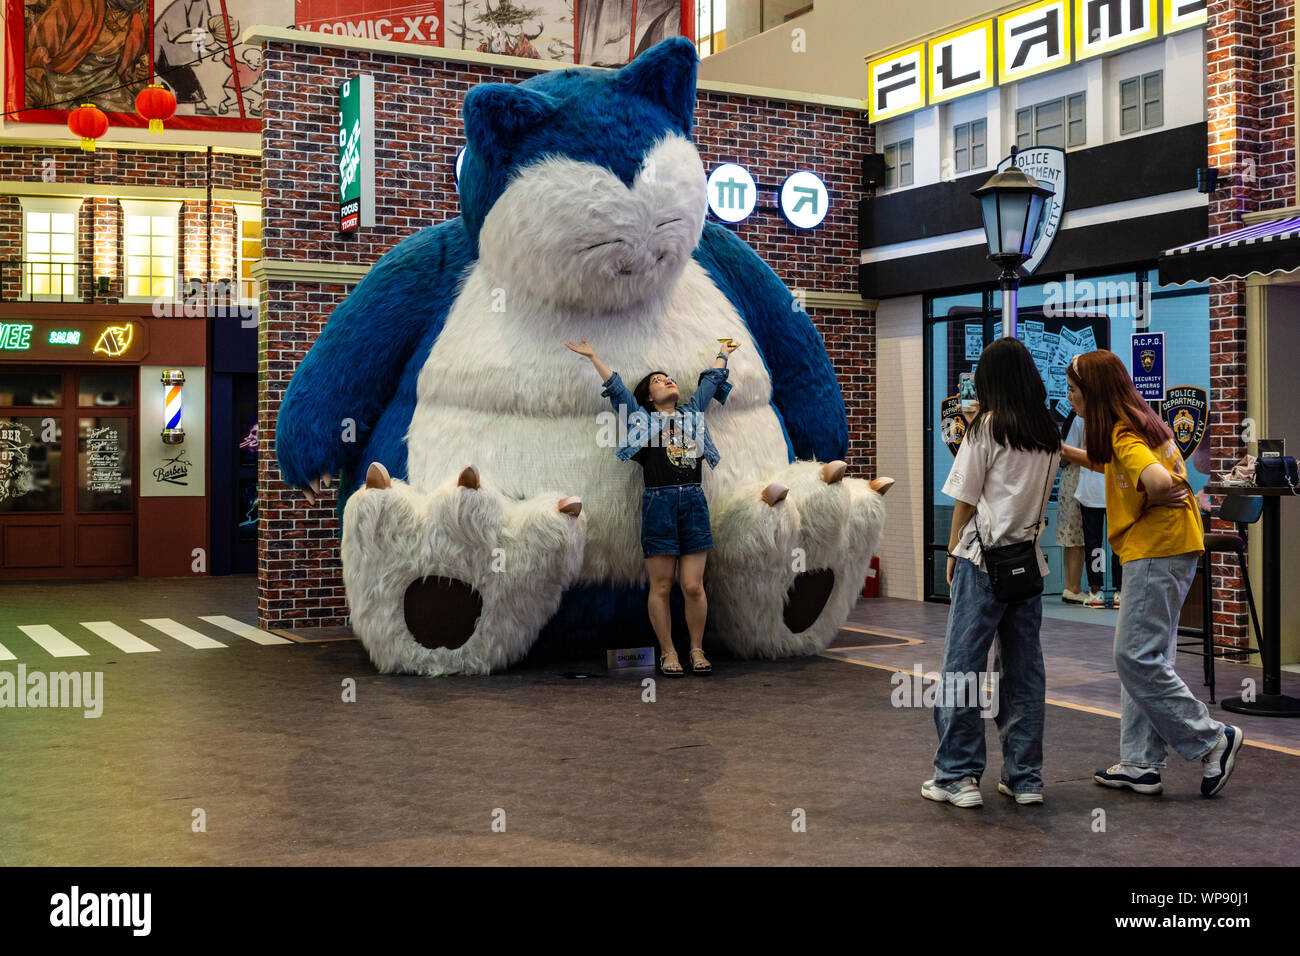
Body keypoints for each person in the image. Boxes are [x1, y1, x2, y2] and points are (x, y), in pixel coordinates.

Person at [1061, 350, 1243, 797]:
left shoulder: (1124, 432)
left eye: (1073, 390)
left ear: (1094, 393)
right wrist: (1065, 451)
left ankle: (1211, 739)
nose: (1070, 398)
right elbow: (1118, 466)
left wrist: (1163, 491)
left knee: (1133, 657)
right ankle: (1140, 763)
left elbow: (1158, 481)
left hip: (1156, 550)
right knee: (1148, 657)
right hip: (1173, 546)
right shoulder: (1138, 423)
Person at [923, 337, 1059, 808]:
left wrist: (953, 552)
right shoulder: (1047, 429)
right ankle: (1025, 778)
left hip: (982, 561)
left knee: (961, 665)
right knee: (1023, 669)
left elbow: (965, 496)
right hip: (1028, 563)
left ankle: (957, 777)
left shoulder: (986, 427)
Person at [567, 338, 738, 677]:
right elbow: (617, 392)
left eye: (669, 377)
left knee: (692, 585)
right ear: (648, 396)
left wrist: (724, 354)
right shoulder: (640, 421)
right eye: (658, 381)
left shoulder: (691, 415)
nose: (667, 381)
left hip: (693, 501)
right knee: (661, 586)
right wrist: (593, 356)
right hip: (659, 504)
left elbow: (711, 382)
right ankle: (668, 651)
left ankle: (696, 648)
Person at [1056, 411, 1087, 604]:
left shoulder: (1073, 419)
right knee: (1077, 538)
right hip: (1078, 478)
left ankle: (1070, 585)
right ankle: (1073, 587)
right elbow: (1069, 453)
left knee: (1070, 537)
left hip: (1068, 479)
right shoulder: (1080, 418)